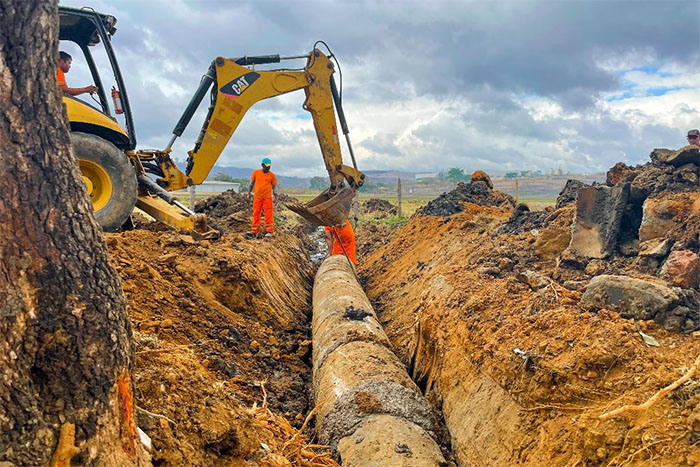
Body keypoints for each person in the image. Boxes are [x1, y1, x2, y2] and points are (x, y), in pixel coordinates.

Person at [247, 157, 278, 237]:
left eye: (269, 166)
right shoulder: (256, 173)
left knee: (268, 214)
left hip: (267, 197)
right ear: (262, 165)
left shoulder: (272, 175)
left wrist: (276, 197)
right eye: (266, 166)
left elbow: (274, 187)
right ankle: (254, 230)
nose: (267, 168)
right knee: (256, 213)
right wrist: (249, 193)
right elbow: (251, 183)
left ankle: (270, 231)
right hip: (257, 197)